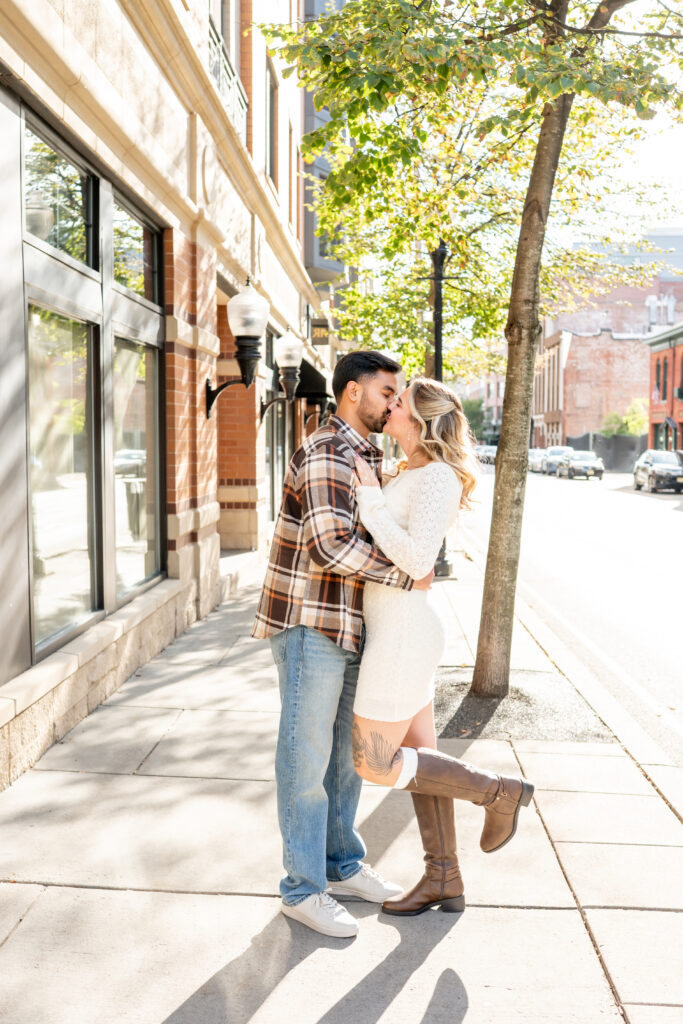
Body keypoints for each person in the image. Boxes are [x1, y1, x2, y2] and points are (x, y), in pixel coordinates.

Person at [252, 350, 434, 939]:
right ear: (353, 392)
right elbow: (331, 547)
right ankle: (302, 890)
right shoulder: (328, 451)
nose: (394, 403)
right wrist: (406, 574)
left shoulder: (367, 456)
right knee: (305, 761)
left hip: (352, 627)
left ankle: (342, 863)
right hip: (310, 625)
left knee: (344, 761)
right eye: (387, 392)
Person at [351, 376, 534, 917]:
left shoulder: (438, 477)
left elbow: (416, 560)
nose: (389, 407)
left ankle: (498, 791)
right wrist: (379, 487)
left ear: (422, 420)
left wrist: (368, 497)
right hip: (396, 628)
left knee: (375, 762)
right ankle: (444, 879)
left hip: (404, 634)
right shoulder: (410, 471)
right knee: (422, 761)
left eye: (399, 402)